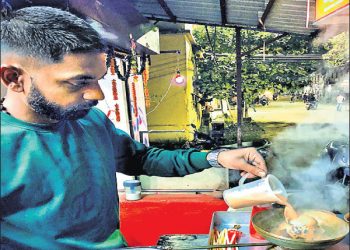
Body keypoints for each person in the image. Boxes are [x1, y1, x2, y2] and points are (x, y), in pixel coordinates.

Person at [0, 6, 267, 249]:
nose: (97, 95)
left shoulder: (90, 121)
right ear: (14, 79)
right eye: (78, 82)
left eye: (98, 80)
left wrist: (217, 157)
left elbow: (141, 158)